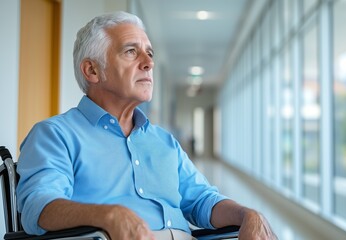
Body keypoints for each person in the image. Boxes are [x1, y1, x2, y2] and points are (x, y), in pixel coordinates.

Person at [16, 11, 277, 240]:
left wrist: (246, 214)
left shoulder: (164, 142)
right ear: (92, 71)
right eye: (131, 51)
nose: (148, 63)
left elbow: (202, 201)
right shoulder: (55, 135)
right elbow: (37, 207)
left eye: (149, 53)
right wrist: (108, 216)